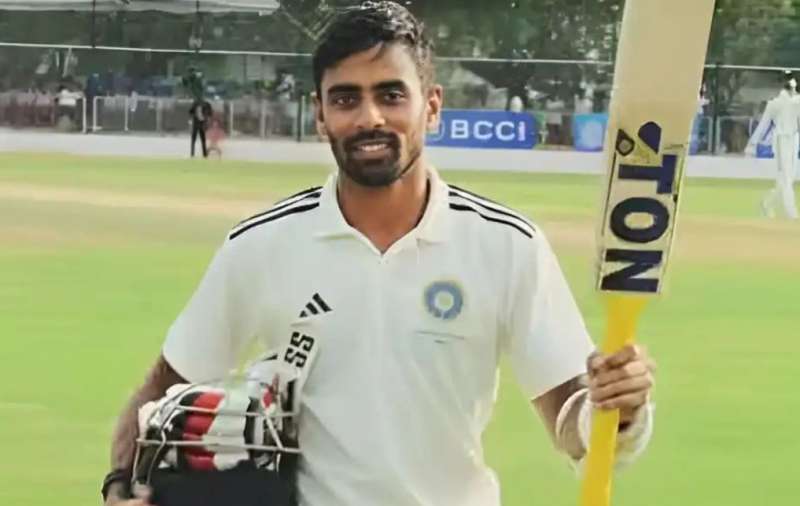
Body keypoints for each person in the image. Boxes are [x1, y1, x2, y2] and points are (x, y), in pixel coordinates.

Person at [101, 3, 656, 506]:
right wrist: (119, 487)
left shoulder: (506, 244)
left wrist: (619, 409)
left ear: (431, 107)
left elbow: (570, 421)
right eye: (346, 98)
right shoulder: (261, 244)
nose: (369, 118)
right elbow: (160, 391)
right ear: (320, 114)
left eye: (391, 95)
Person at [746, 70, 800, 219]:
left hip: (793, 139)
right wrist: (752, 144)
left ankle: (767, 203)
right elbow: (764, 124)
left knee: (787, 178)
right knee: (786, 177)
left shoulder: (794, 101)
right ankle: (792, 213)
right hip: (781, 140)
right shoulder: (776, 103)